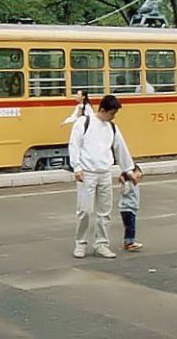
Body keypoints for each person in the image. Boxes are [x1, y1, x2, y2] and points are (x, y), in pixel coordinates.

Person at [68, 94, 135, 259]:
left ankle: (101, 244)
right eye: (112, 113)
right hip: (87, 173)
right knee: (84, 210)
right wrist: (76, 167)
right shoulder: (84, 123)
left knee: (104, 212)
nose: (113, 116)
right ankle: (80, 244)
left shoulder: (111, 127)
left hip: (104, 172)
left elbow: (121, 148)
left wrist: (128, 169)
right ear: (103, 110)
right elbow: (74, 144)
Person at [119, 164, 143, 251]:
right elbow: (124, 192)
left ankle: (128, 242)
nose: (139, 174)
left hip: (131, 208)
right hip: (127, 209)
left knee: (130, 226)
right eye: (136, 172)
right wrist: (124, 182)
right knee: (130, 226)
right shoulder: (128, 184)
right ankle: (130, 243)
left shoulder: (134, 184)